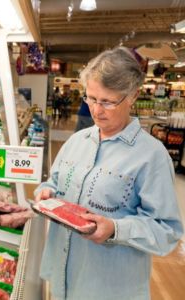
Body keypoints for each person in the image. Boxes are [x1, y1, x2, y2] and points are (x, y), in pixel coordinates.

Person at [34, 47, 183, 300]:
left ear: (133, 96)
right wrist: (45, 192)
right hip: (62, 279)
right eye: (91, 98)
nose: (96, 110)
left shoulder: (151, 155)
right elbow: (54, 182)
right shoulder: (78, 141)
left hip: (107, 287)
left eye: (108, 101)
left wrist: (115, 229)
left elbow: (167, 231)